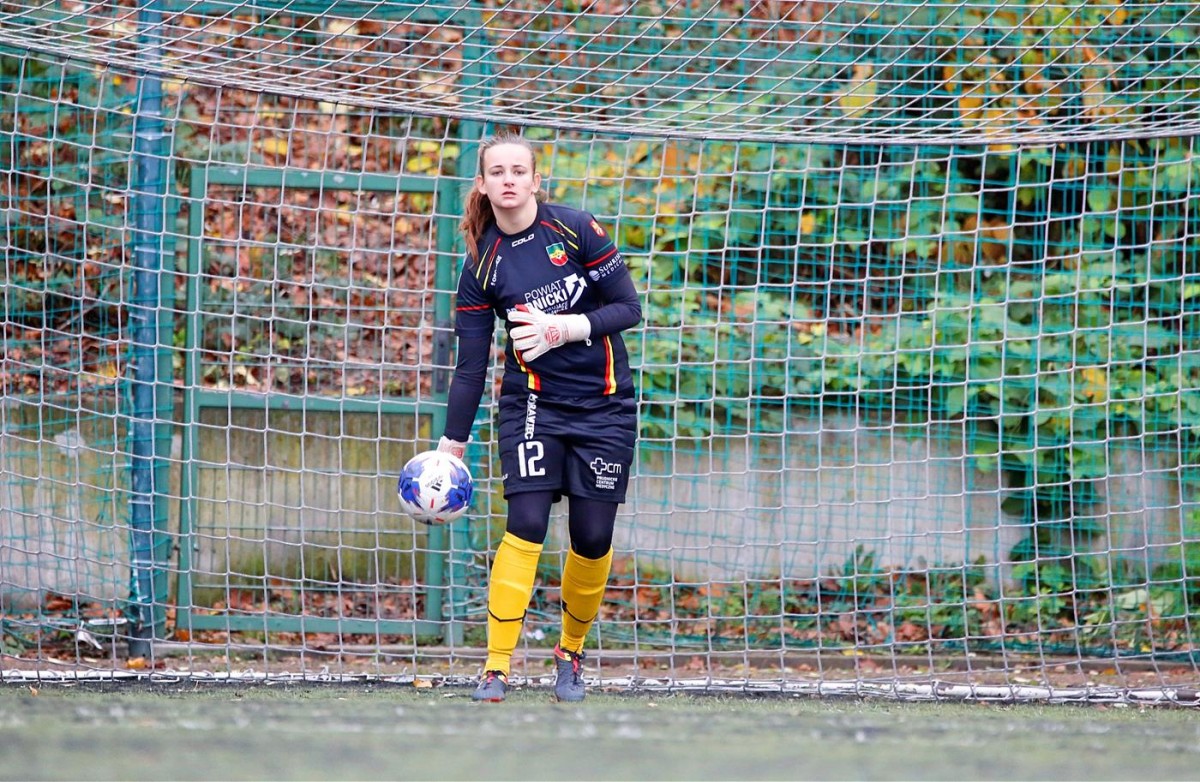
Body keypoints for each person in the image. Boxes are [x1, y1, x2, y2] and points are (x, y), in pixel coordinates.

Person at [436, 132, 641, 703]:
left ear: (534, 180)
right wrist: (452, 442)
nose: (508, 180)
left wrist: (564, 328)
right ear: (483, 184)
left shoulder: (575, 229)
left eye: (518, 171)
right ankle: (495, 667)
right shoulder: (480, 265)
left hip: (604, 404)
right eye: (497, 172)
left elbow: (629, 308)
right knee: (525, 523)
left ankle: (570, 653)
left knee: (592, 536)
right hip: (532, 405)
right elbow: (471, 366)